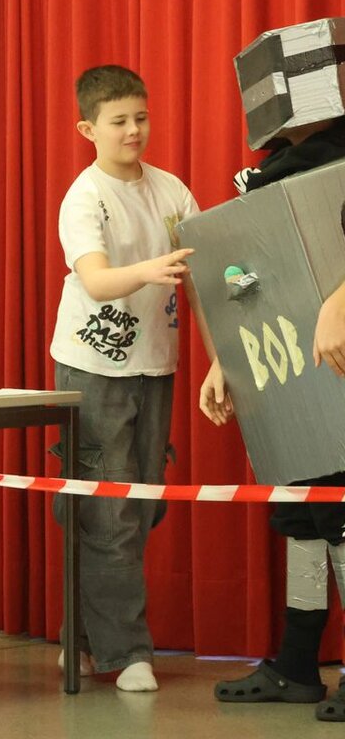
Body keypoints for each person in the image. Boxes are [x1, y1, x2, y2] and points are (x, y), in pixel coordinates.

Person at [49, 65, 212, 692]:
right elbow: (95, 280)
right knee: (108, 510)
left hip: (155, 365)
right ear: (87, 129)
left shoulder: (172, 190)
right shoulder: (84, 198)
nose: (134, 130)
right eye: (119, 121)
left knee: (139, 508)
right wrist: (150, 269)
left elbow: (200, 286)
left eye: (141, 117)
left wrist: (218, 360)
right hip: (93, 368)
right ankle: (127, 653)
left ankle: (83, 638)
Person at [203, 117, 345, 719]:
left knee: (340, 511)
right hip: (290, 365)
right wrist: (226, 362)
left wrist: (340, 301)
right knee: (302, 512)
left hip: (338, 357)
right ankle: (296, 665)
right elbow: (251, 276)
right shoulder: (267, 174)